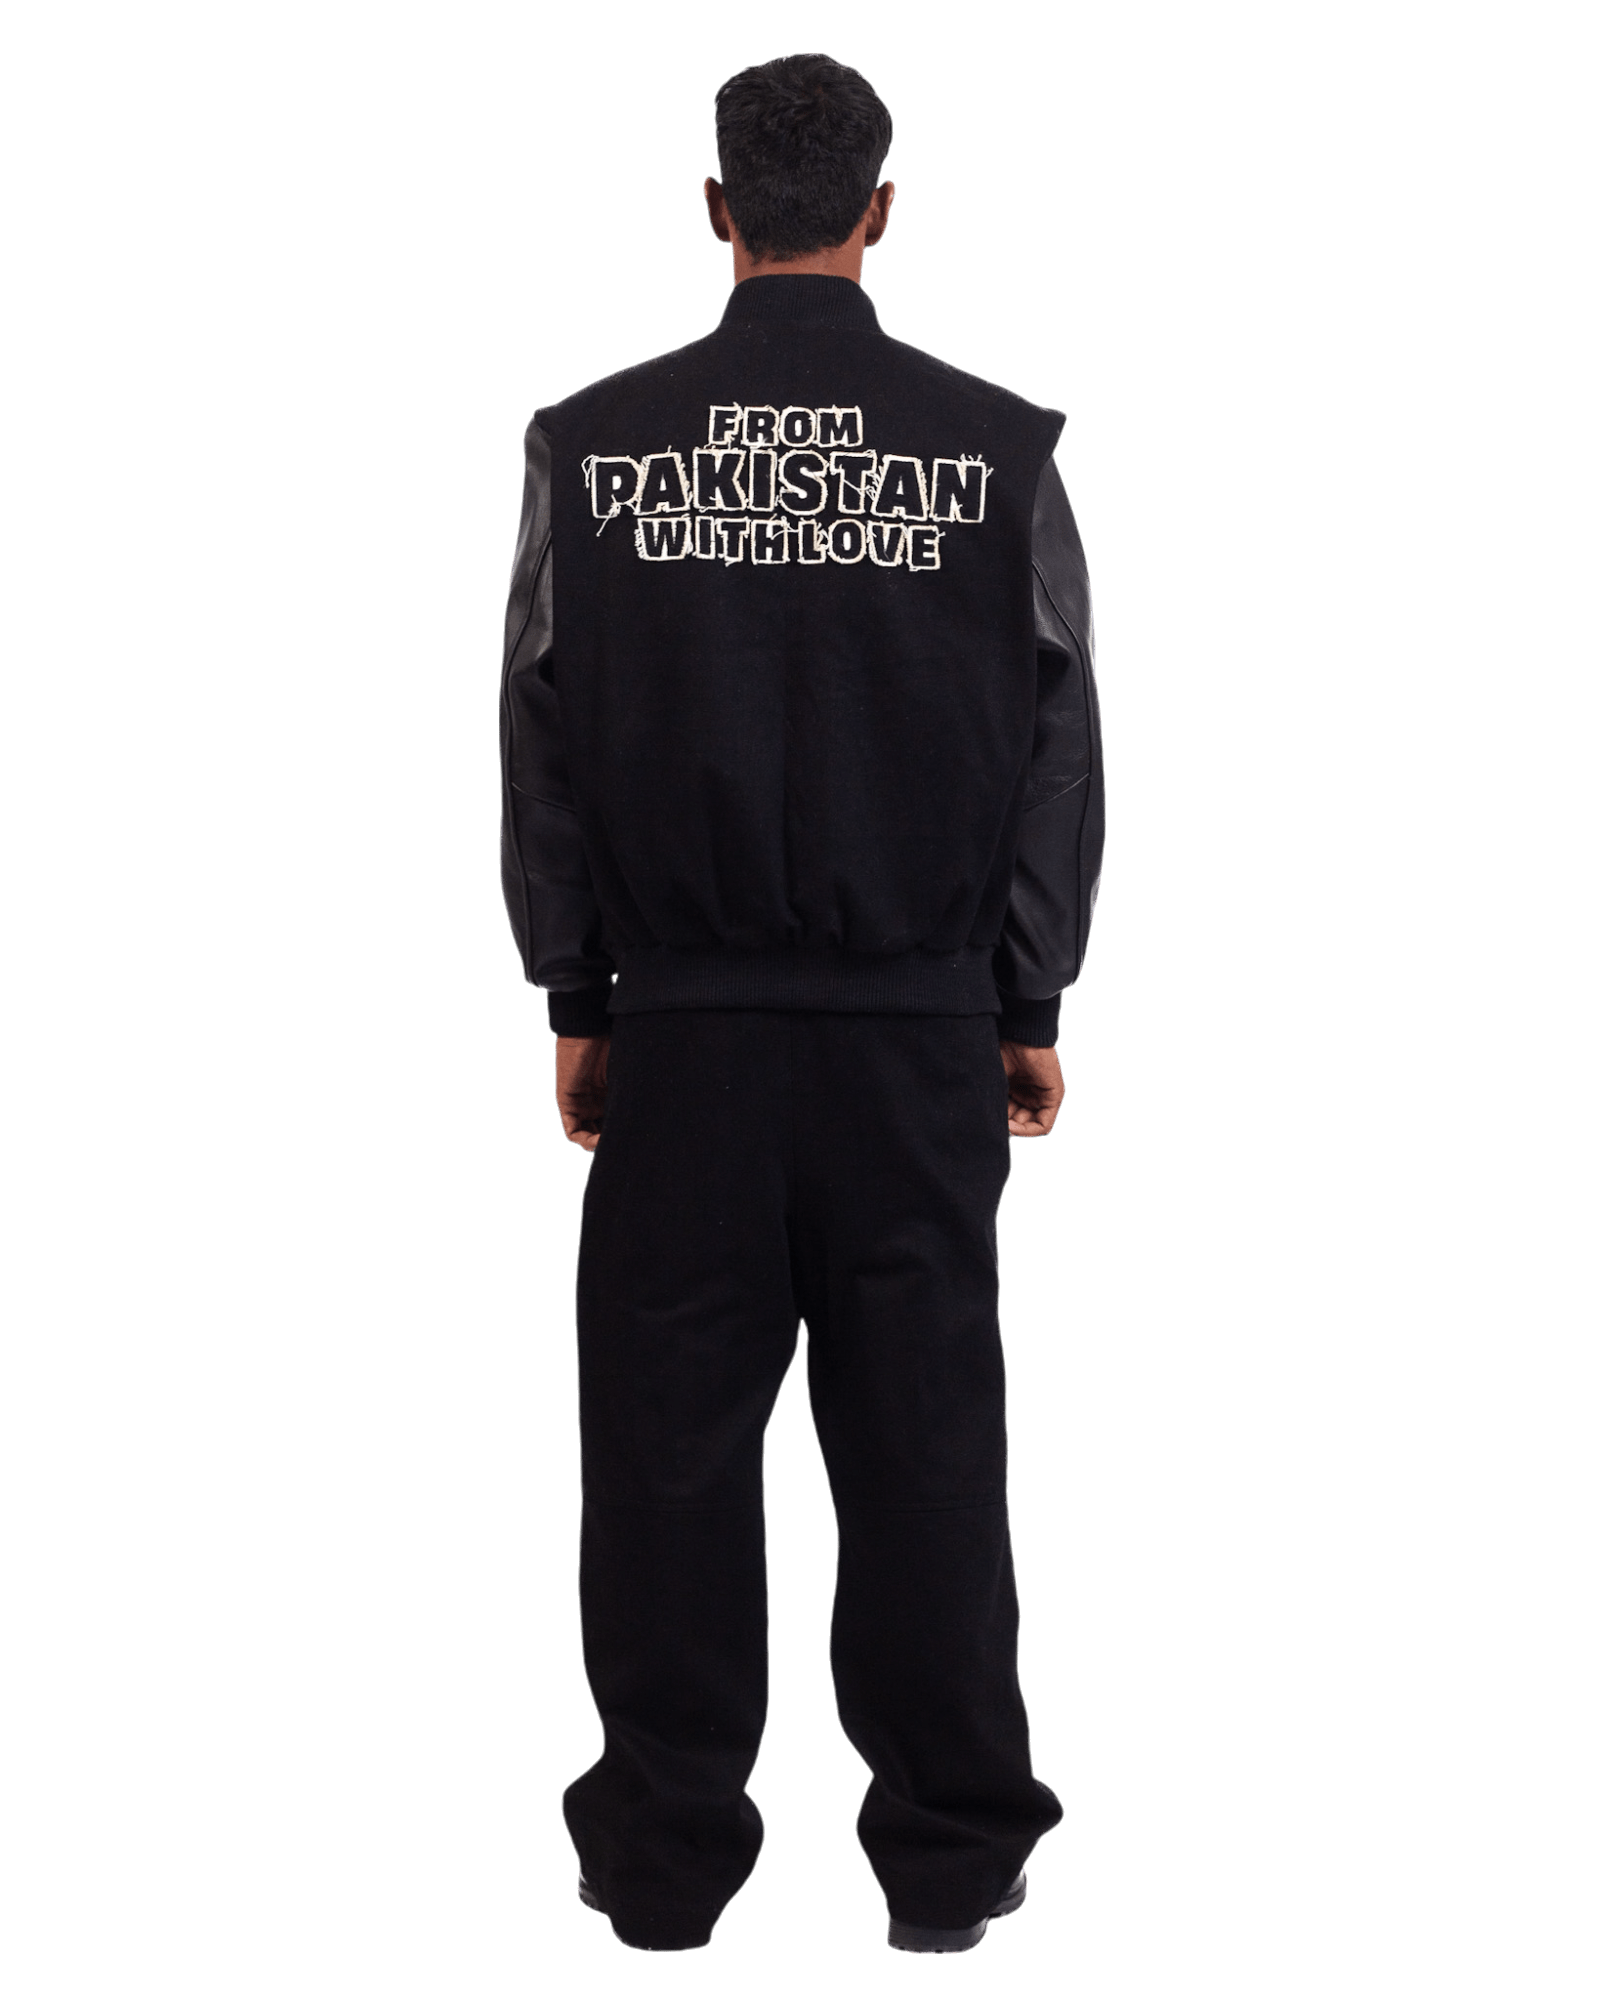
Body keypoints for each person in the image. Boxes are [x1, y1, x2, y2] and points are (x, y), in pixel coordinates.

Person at [498, 51, 1105, 1957]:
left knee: (664, 1451)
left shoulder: (591, 447)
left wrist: (578, 989)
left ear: (714, 209)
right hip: (917, 1038)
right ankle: (954, 1859)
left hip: (680, 1032)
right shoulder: (997, 450)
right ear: (881, 207)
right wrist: (1027, 991)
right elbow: (1059, 742)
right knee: (926, 1445)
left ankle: (659, 1864)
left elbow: (536, 737)